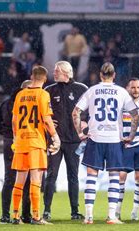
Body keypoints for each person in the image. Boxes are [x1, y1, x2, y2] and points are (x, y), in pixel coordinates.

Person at [72, 62, 139, 225]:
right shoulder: (121, 92)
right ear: (114, 75)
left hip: (95, 138)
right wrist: (130, 135)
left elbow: (76, 112)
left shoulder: (92, 90)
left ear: (100, 75)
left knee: (91, 177)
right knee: (114, 177)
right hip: (114, 139)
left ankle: (88, 216)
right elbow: (135, 114)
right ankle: (111, 216)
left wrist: (80, 133)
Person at [11, 66, 61, 225]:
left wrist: (16, 137)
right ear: (45, 79)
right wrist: (55, 136)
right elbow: (46, 119)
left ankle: (15, 216)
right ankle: (36, 216)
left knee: (19, 181)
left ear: (32, 76)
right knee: (36, 180)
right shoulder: (43, 94)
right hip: (36, 141)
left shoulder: (20, 95)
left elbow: (14, 121)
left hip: (21, 141)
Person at [43, 61, 88, 221]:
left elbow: (91, 110)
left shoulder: (81, 89)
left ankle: (74, 211)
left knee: (73, 176)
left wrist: (86, 122)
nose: (54, 74)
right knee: (51, 175)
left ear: (67, 73)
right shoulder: (48, 90)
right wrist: (45, 121)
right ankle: (46, 211)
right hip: (55, 141)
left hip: (74, 141)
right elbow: (42, 112)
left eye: (57, 71)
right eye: (54, 71)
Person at [0, 80, 32, 224]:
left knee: (10, 178)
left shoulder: (7, 103)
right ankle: (26, 216)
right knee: (27, 179)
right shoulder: (26, 103)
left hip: (9, 142)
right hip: (24, 141)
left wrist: (5, 133)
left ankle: (5, 215)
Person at [115, 77, 139, 221]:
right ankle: (117, 211)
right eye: (133, 87)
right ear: (127, 88)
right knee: (121, 177)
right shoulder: (122, 104)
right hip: (125, 145)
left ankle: (135, 211)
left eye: (138, 87)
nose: (136, 90)